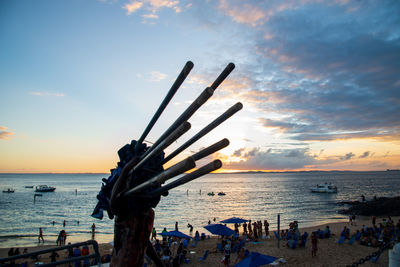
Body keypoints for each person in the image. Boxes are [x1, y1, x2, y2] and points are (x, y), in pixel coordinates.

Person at [109, 155, 165, 267]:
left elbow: (144, 241)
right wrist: (125, 171)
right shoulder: (127, 210)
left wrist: (160, 263)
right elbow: (112, 204)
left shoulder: (149, 214)